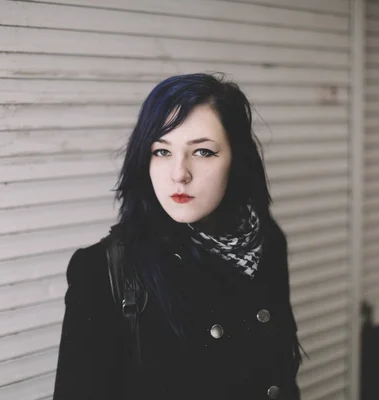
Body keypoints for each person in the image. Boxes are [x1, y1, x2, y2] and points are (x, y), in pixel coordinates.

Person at [53, 73, 303, 400]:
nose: (179, 174)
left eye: (202, 152)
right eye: (162, 151)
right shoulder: (102, 270)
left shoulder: (265, 243)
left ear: (236, 159)